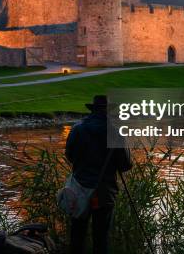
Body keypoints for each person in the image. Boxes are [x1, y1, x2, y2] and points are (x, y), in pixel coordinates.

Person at [65, 95, 132, 254]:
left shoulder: (77, 129)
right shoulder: (116, 133)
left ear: (93, 110)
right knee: (101, 239)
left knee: (77, 236)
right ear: (109, 112)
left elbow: (69, 156)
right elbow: (126, 165)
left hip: (80, 189)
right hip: (104, 192)